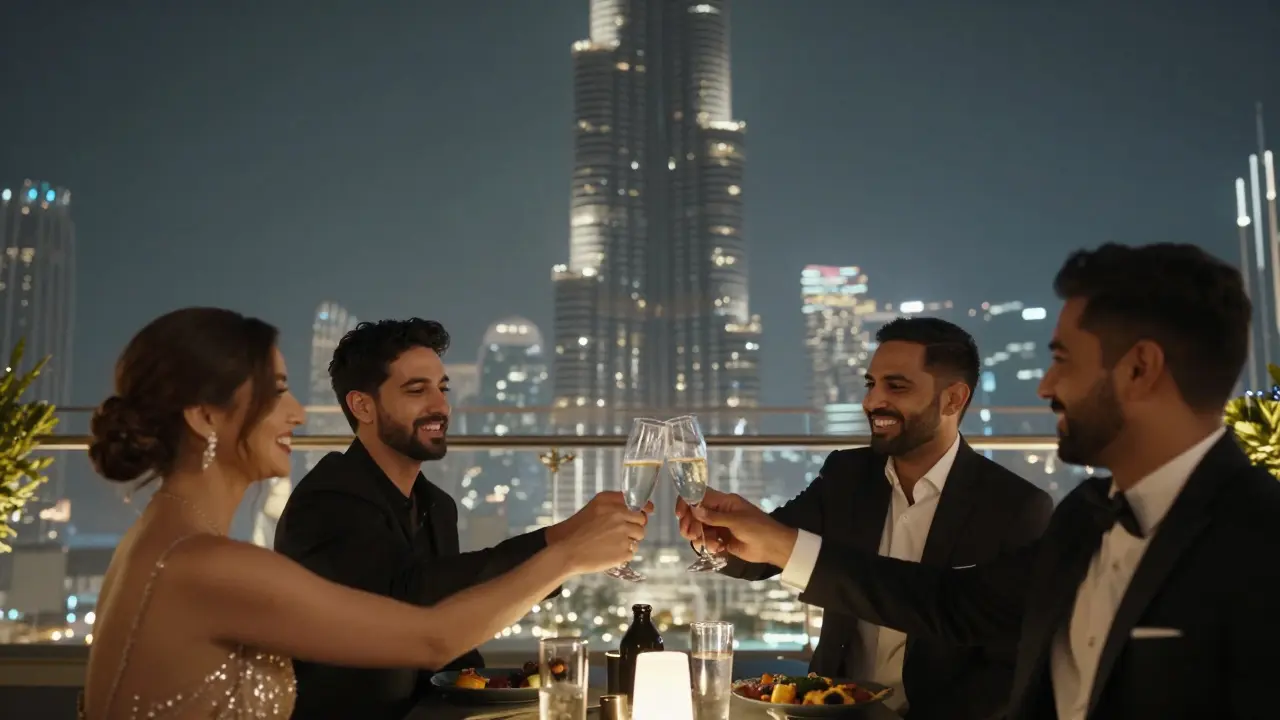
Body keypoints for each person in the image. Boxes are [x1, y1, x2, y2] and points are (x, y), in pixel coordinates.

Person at [689, 243, 1280, 720]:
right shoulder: (1085, 515)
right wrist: (777, 543)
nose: (1046, 386)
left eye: (1064, 359)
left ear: (1140, 368)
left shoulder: (1261, 537)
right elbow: (949, 605)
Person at [80, 308, 647, 720]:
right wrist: (566, 553)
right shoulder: (206, 562)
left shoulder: (164, 539)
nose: (298, 413)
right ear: (206, 416)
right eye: (275, 391)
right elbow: (429, 638)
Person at [678, 317, 1052, 719]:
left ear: (953, 399)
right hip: (831, 712)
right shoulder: (847, 475)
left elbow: (1008, 672)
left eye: (897, 386)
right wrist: (713, 536)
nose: (873, 402)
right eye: (871, 384)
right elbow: (762, 555)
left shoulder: (1015, 507)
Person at [272, 318, 641, 719]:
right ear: (363, 405)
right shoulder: (329, 500)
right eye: (417, 390)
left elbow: (456, 635)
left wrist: (569, 537)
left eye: (442, 389)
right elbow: (411, 599)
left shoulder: (436, 504)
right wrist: (564, 547)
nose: (440, 406)